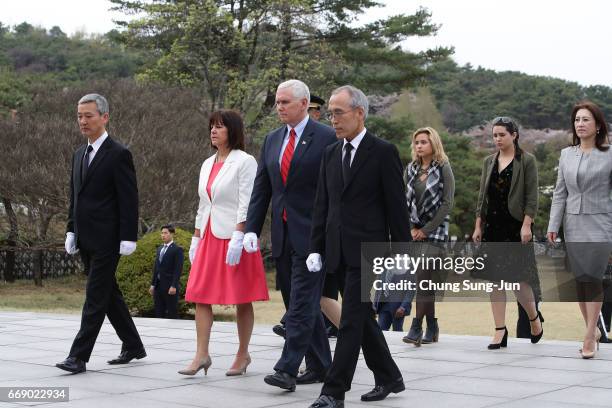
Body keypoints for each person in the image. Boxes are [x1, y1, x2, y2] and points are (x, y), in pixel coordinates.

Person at [307, 85, 411, 408]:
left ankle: (333, 392)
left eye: (339, 112)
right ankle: (390, 376)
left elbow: (397, 208)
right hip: (336, 248)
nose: (332, 119)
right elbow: (322, 206)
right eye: (331, 113)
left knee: (351, 319)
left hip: (369, 252)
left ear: (359, 113)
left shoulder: (382, 152)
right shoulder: (330, 153)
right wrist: (315, 247)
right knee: (361, 317)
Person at [243, 80, 335, 389]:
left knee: (301, 304)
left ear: (303, 104)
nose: (279, 107)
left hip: (313, 237)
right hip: (282, 234)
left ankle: (286, 368)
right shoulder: (272, 139)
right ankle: (323, 365)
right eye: (277, 102)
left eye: (284, 102)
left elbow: (336, 190)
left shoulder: (326, 137)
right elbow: (262, 188)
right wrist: (252, 229)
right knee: (297, 302)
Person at [57, 93, 145, 374]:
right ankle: (133, 344)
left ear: (104, 117)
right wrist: (71, 229)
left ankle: (78, 356)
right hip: (85, 237)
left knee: (95, 296)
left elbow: (129, 198)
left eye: (89, 116)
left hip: (108, 239)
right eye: (79, 116)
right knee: (108, 294)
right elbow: (74, 196)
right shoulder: (78, 154)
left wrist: (128, 235)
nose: (83, 121)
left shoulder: (119, 154)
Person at [181, 109, 269, 376]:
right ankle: (201, 354)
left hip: (234, 238)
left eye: (219, 126)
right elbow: (202, 204)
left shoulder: (245, 161)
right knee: (199, 295)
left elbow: (248, 201)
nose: (213, 131)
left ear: (233, 131)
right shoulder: (207, 163)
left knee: (242, 297)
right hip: (208, 236)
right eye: (211, 126)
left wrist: (239, 235)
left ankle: (243, 354)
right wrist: (196, 237)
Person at [547, 101, 612, 359]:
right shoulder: (566, 155)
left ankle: (588, 336)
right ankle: (593, 328)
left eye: (586, 119)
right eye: (577, 120)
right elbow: (559, 193)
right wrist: (553, 224)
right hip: (572, 224)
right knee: (580, 282)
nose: (580, 124)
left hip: (601, 224)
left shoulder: (609, 154)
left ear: (597, 125)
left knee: (593, 278)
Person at [472, 116, 543, 350]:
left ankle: (534, 319)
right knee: (494, 282)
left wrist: (527, 224)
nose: (498, 139)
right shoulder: (488, 161)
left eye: (502, 134)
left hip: (515, 226)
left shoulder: (527, 161)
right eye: (495, 135)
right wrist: (478, 225)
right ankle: (499, 330)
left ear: (514, 135)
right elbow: (482, 196)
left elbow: (532, 196)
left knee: (518, 282)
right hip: (492, 226)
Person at [402, 127, 455, 346]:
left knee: (423, 278)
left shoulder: (443, 168)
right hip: (415, 232)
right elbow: (402, 200)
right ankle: (432, 327)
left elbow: (447, 203)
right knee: (426, 282)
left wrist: (427, 229)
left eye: (424, 141)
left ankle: (416, 326)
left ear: (434, 144)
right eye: (417, 142)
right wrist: (413, 227)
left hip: (436, 232)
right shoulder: (411, 169)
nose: (419, 146)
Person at [149, 224, 184, 319]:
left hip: (170, 286)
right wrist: (152, 284)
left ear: (172, 234)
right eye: (162, 233)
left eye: (165, 233)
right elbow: (156, 268)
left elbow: (178, 270)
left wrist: (174, 285)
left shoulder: (177, 249)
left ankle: (175, 332)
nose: (163, 235)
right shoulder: (159, 249)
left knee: (172, 311)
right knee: (159, 311)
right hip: (158, 285)